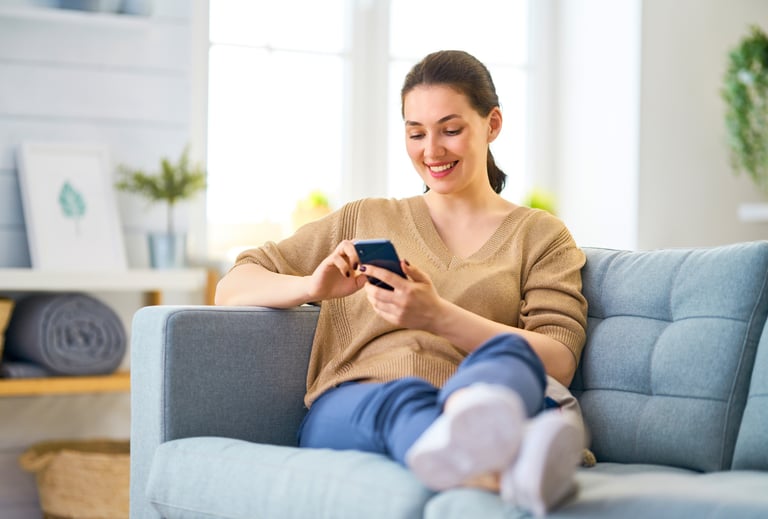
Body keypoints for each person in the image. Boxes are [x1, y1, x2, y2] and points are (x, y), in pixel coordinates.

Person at [215, 49, 588, 516]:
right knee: (404, 399)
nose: (432, 151)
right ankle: (507, 467)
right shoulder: (365, 217)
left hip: (468, 391)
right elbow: (232, 286)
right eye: (416, 133)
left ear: (492, 124)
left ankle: (477, 438)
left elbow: (559, 360)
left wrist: (436, 316)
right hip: (359, 401)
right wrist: (312, 287)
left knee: (511, 356)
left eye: (450, 130)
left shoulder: (541, 235)